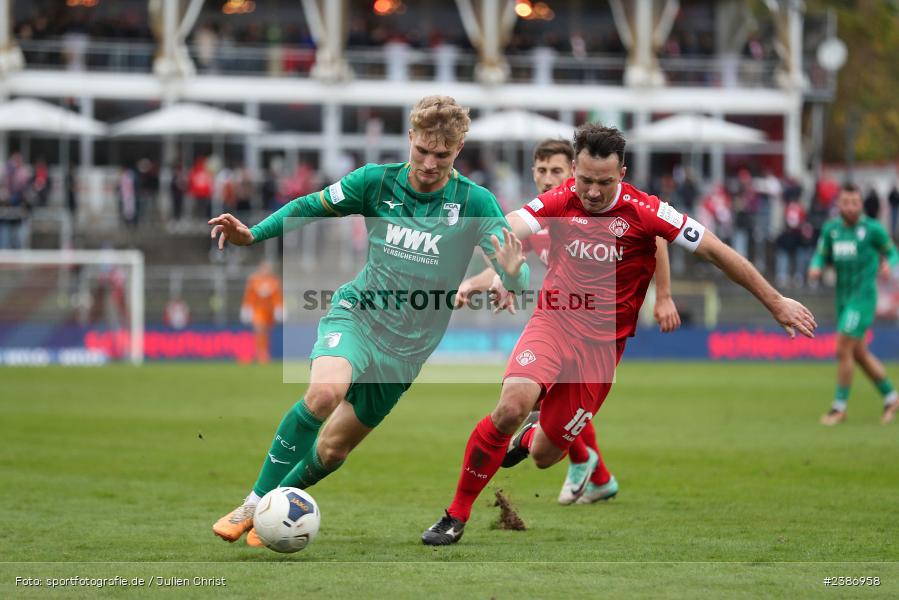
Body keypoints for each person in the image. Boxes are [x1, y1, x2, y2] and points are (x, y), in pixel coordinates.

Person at [422, 123, 817, 545]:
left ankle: (533, 437)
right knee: (513, 403)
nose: (592, 191)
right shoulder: (561, 197)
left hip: (600, 353)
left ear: (622, 174)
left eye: (604, 183)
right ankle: (455, 515)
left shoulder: (647, 211)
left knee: (544, 456)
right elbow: (513, 223)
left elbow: (716, 251)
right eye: (586, 180)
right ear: (574, 169)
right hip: (553, 324)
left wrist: (775, 301)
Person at [208, 95, 530, 547]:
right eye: (422, 151)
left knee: (333, 450)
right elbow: (309, 206)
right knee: (323, 394)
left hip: (406, 352)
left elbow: (515, 267)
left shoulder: (475, 202)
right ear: (410, 139)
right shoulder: (374, 182)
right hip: (358, 315)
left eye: (442, 154)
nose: (429, 163)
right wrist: (254, 233)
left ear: (458, 150)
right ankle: (253, 503)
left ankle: (276, 510)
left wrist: (512, 275)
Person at [455, 137, 681, 506]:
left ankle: (582, 462)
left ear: (572, 172)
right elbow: (509, 261)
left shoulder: (586, 208)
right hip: (562, 318)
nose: (548, 178)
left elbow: (656, 237)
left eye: (556, 171)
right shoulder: (545, 214)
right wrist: (482, 282)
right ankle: (597, 473)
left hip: (599, 331)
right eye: (541, 170)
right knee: (528, 399)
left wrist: (665, 296)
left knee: (546, 403)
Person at [808, 183, 899, 425]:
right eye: (846, 203)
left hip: (863, 298)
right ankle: (891, 397)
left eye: (855, 203)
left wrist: (890, 263)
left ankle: (839, 408)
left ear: (861, 204)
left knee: (841, 348)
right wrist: (815, 266)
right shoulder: (831, 230)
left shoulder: (872, 230)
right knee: (858, 353)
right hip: (843, 299)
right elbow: (821, 253)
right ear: (838, 205)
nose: (851, 207)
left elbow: (892, 252)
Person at [241, 260, 284, 365]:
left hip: (269, 311)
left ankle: (264, 353)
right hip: (258, 310)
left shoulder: (274, 281)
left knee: (265, 332)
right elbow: (249, 296)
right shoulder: (254, 280)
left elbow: (277, 297)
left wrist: (279, 308)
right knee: (259, 329)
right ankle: (260, 354)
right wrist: (246, 308)